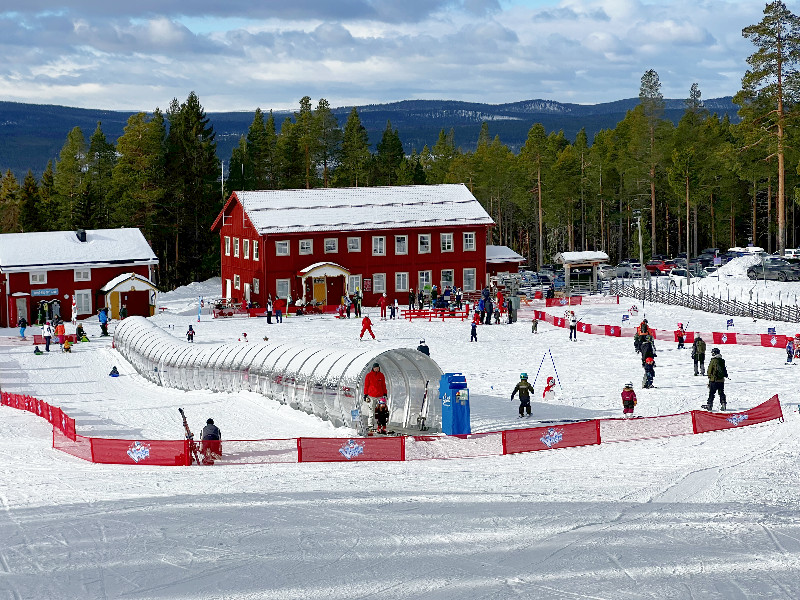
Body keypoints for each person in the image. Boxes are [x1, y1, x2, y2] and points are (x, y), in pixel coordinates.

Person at [363, 363, 388, 432]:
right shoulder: (369, 375)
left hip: (380, 396)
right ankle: (370, 426)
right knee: (371, 411)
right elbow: (366, 385)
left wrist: (385, 393)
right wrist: (365, 395)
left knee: (381, 411)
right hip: (371, 396)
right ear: (373, 368)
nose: (376, 369)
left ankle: (380, 425)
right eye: (375, 368)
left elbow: (383, 385)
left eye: (378, 368)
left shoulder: (381, 375)